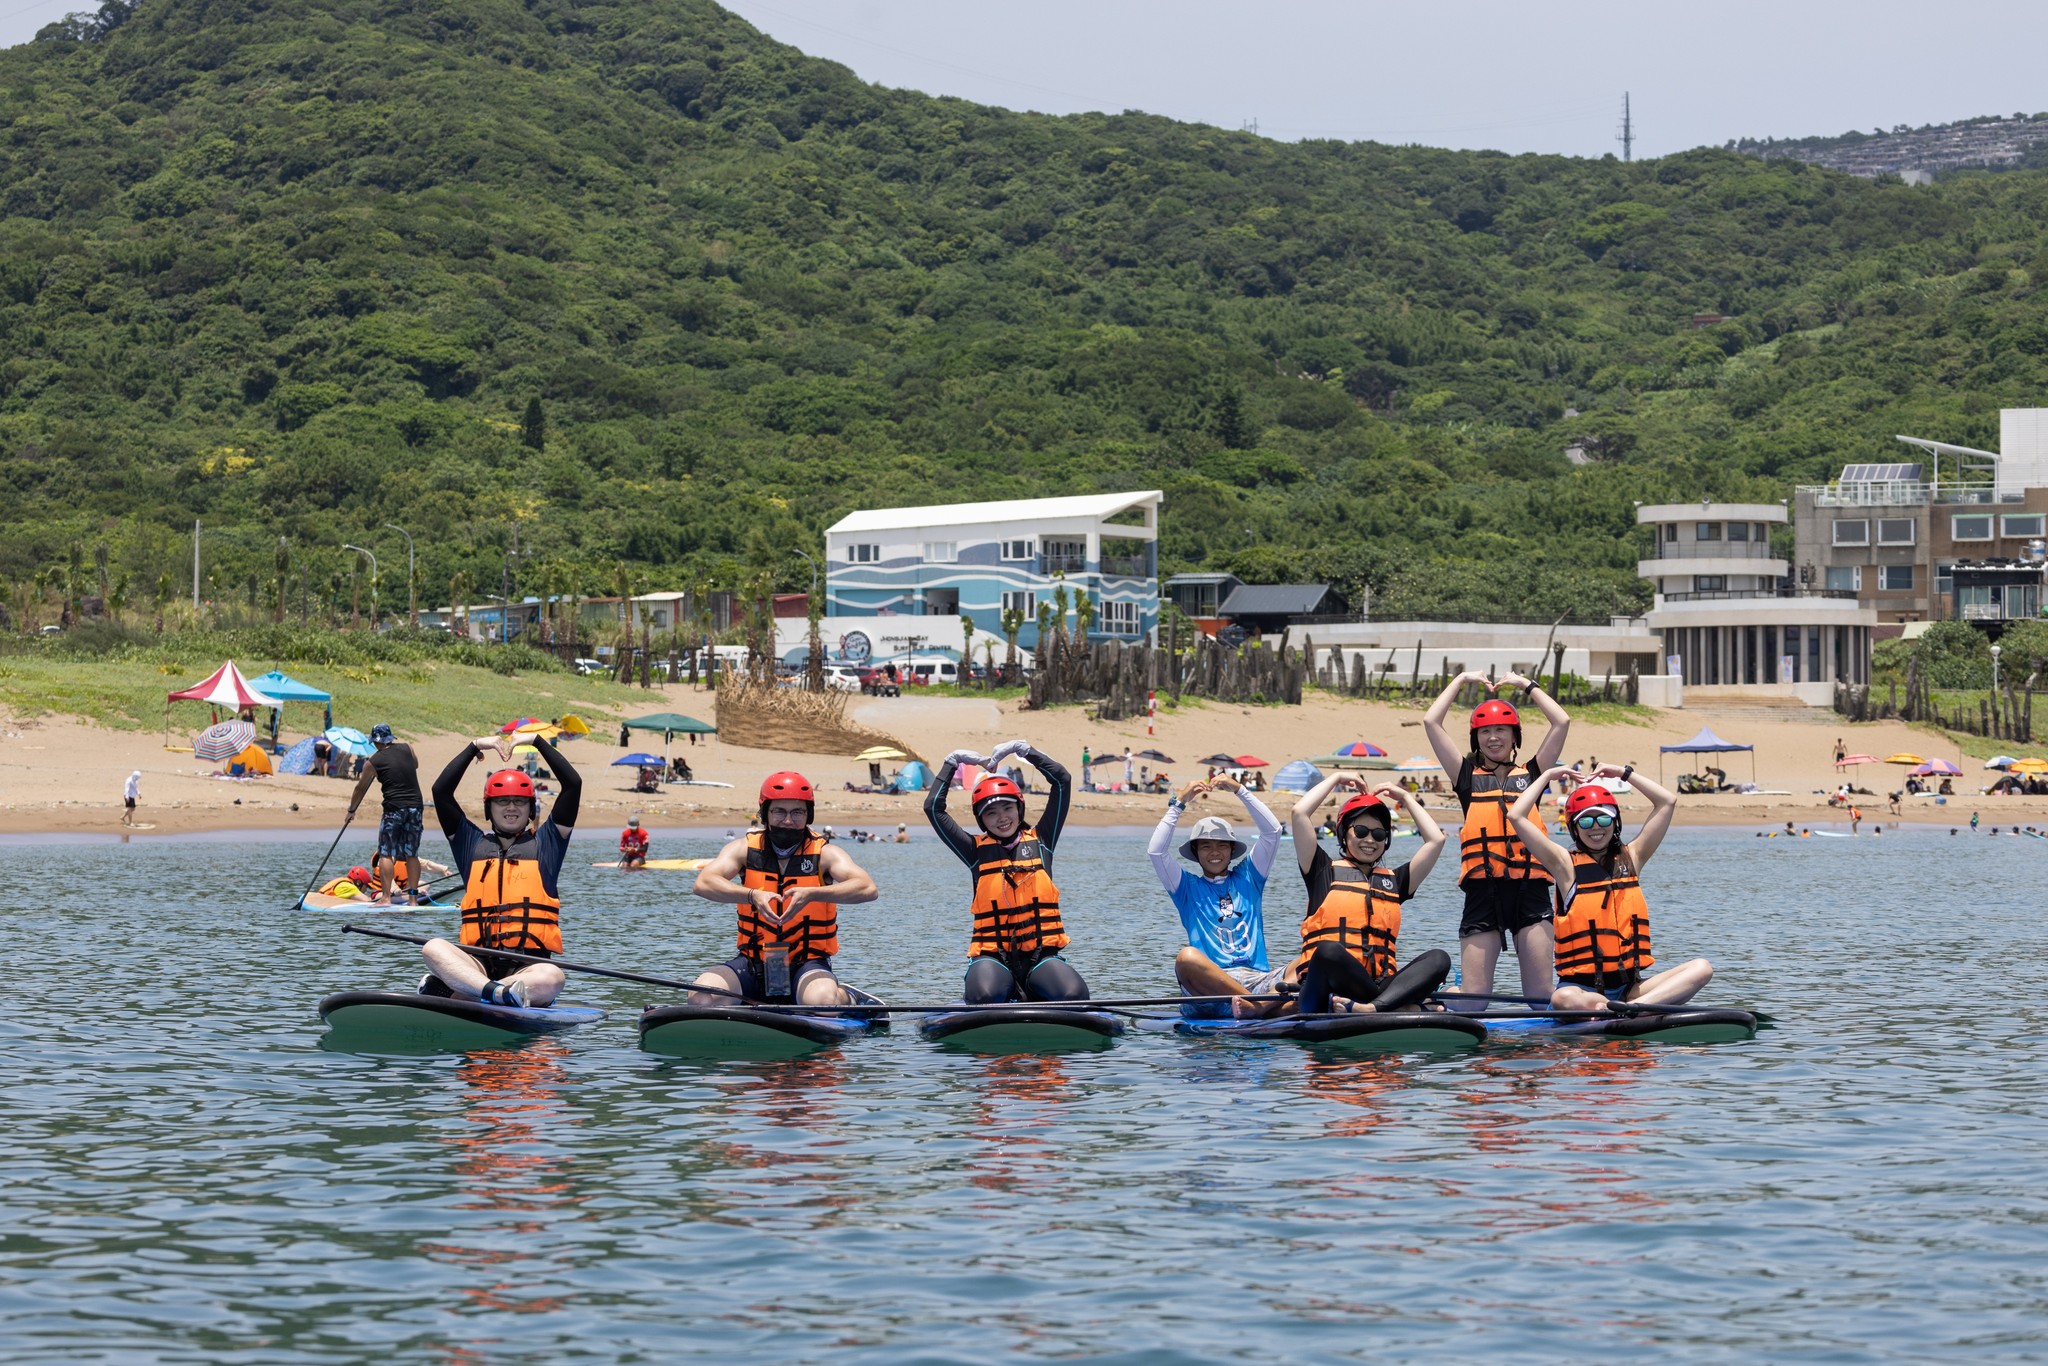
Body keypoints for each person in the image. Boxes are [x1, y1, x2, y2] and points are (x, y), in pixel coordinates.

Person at [1505, 762, 1712, 1013]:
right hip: (1583, 992)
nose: (1596, 827)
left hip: (1629, 990)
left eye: (1604, 817)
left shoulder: (1633, 857)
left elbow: (1667, 801)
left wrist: (1623, 774)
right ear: (1574, 828)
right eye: (1586, 821)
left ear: (1615, 822)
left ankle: (1632, 1008)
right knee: (1562, 999)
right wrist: (1547, 775)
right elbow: (1516, 816)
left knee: (1702, 968)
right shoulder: (1564, 865)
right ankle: (1628, 1009)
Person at [1423, 669, 1572, 1010]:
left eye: (1501, 729)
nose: (1493, 737)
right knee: (1476, 1003)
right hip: (1483, 893)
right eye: (1485, 731)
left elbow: (1561, 722)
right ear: (1476, 739)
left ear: (1514, 735)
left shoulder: (1533, 775)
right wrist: (1460, 680)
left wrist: (1526, 685)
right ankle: (1419, 1006)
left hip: (1530, 891)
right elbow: (1432, 722)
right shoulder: (1464, 777)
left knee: (1538, 999)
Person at [420, 733, 582, 1008]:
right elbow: (441, 792)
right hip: (476, 965)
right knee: (432, 947)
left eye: (519, 801)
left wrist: (538, 742)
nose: (511, 807)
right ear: (488, 808)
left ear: (530, 808)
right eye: (502, 801)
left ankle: (465, 993)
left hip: (528, 971)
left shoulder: (548, 843)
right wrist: (474, 748)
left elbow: (573, 784)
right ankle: (494, 993)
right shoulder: (469, 844)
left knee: (552, 978)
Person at [690, 772, 878, 1006]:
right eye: (779, 811)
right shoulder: (742, 850)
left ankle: (846, 997)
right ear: (765, 814)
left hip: (807, 966)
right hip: (753, 963)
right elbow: (703, 883)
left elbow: (868, 888)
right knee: (701, 997)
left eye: (797, 812)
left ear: (808, 815)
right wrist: (751, 895)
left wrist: (813, 893)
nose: (788, 820)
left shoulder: (825, 854)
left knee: (822, 1003)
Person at [927, 738, 1088, 1004]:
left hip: (1041, 958)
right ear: (981, 820)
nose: (1002, 818)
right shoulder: (973, 851)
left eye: (1007, 808)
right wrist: (951, 763)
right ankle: (998, 992)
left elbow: (1062, 780)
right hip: (992, 959)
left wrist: (1025, 751)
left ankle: (1037, 991)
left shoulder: (1043, 841)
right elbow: (933, 808)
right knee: (985, 995)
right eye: (991, 813)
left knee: (1073, 995)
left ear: (1019, 808)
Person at [1280, 776, 1451, 1015]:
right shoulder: (1321, 871)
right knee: (1328, 951)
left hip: (1376, 992)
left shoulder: (1395, 881)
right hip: (1322, 993)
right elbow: (1299, 812)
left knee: (1439, 958)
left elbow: (1436, 839)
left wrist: (1406, 798)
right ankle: (1401, 1006)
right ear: (1343, 834)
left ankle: (1372, 1009)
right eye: (1360, 831)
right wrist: (1336, 779)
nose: (1370, 840)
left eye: (1379, 834)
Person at [1148, 774, 1285, 1016]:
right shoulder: (1186, 887)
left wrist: (1240, 790)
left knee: (1311, 957)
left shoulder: (1248, 877)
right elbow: (1156, 852)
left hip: (1257, 982)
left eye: (1222, 845)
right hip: (1209, 989)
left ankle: (1256, 1007)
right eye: (1206, 846)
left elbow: (1273, 832)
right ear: (1196, 852)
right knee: (1186, 958)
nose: (1214, 852)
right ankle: (1260, 1008)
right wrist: (1178, 803)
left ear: (1232, 850)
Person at [348, 724, 424, 907]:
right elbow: (415, 765)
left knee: (385, 853)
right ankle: (413, 900)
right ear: (390, 738)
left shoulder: (373, 762)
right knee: (411, 854)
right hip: (416, 807)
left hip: (394, 809)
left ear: (375, 741)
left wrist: (351, 810)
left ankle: (386, 898)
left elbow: (360, 788)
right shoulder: (408, 748)